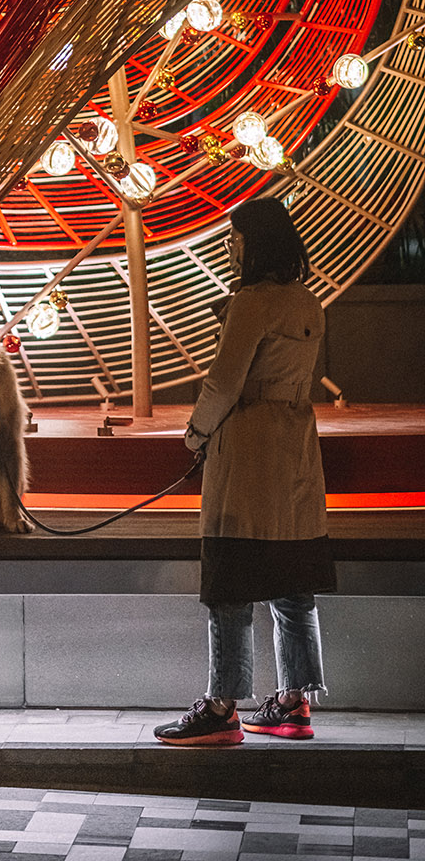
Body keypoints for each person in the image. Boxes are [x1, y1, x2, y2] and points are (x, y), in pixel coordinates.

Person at [154, 196, 335, 747]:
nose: (231, 248)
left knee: (231, 583)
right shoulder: (308, 303)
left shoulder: (249, 305)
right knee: (293, 583)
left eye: (235, 238)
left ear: (255, 243)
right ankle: (293, 703)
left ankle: (221, 708)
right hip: (296, 450)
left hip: (247, 450)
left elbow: (223, 382)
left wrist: (195, 434)